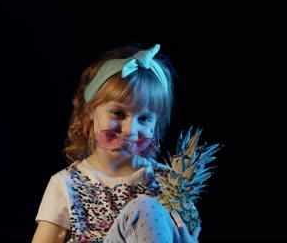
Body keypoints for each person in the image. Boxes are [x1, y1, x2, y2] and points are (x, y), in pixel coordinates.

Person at [32, 43, 201, 242]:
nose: (130, 130)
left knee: (148, 208)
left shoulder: (169, 184)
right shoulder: (67, 184)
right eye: (118, 113)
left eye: (145, 118)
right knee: (145, 207)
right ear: (90, 112)